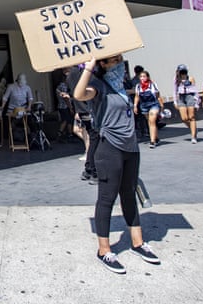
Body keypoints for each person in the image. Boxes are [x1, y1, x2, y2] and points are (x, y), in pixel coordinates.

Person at [74, 54, 161, 274]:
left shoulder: (121, 85)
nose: (121, 62)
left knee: (129, 194)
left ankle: (138, 242)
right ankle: (104, 250)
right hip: (109, 148)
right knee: (107, 198)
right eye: (115, 59)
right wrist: (89, 67)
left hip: (131, 148)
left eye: (121, 58)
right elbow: (78, 94)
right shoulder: (97, 85)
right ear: (103, 64)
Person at [133, 70, 163, 148]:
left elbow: (158, 95)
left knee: (152, 121)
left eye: (144, 76)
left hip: (153, 104)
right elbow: (137, 96)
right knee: (150, 122)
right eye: (141, 76)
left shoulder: (152, 85)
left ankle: (152, 141)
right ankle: (156, 138)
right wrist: (135, 105)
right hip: (144, 106)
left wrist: (161, 106)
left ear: (148, 77)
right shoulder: (138, 86)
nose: (142, 78)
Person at [172, 64, 201, 144]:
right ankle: (193, 128)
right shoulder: (176, 79)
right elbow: (174, 91)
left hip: (190, 96)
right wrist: (175, 101)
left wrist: (197, 102)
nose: (183, 73)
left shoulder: (190, 78)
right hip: (181, 97)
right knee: (184, 118)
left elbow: (195, 91)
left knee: (191, 117)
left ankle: (193, 136)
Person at [1, 73, 33, 143]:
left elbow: (30, 98)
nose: (21, 84)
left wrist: (29, 106)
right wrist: (2, 107)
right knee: (10, 124)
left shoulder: (27, 87)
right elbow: (5, 98)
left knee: (28, 122)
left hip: (23, 108)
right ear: (17, 80)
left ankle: (29, 138)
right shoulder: (11, 87)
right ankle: (12, 138)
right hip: (12, 109)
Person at [55, 67, 75, 143]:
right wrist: (70, 108)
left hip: (61, 106)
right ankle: (62, 134)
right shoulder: (63, 86)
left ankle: (67, 134)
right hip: (64, 106)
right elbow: (66, 98)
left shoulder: (59, 86)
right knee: (67, 120)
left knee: (67, 120)